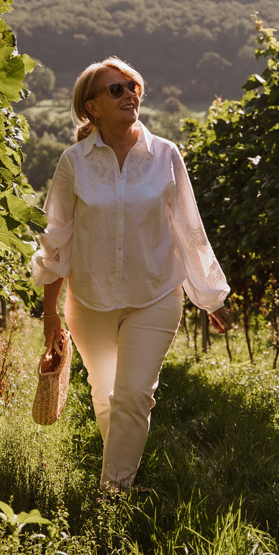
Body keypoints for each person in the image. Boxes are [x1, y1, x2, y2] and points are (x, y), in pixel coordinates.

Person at [31, 56, 232, 493]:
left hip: (156, 295)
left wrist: (210, 297)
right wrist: (50, 312)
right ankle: (122, 478)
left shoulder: (165, 155)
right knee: (105, 394)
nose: (129, 94)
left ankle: (113, 494)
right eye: (116, 89)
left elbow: (188, 228)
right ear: (92, 107)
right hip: (90, 300)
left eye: (132, 86)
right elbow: (56, 239)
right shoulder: (73, 163)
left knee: (134, 395)